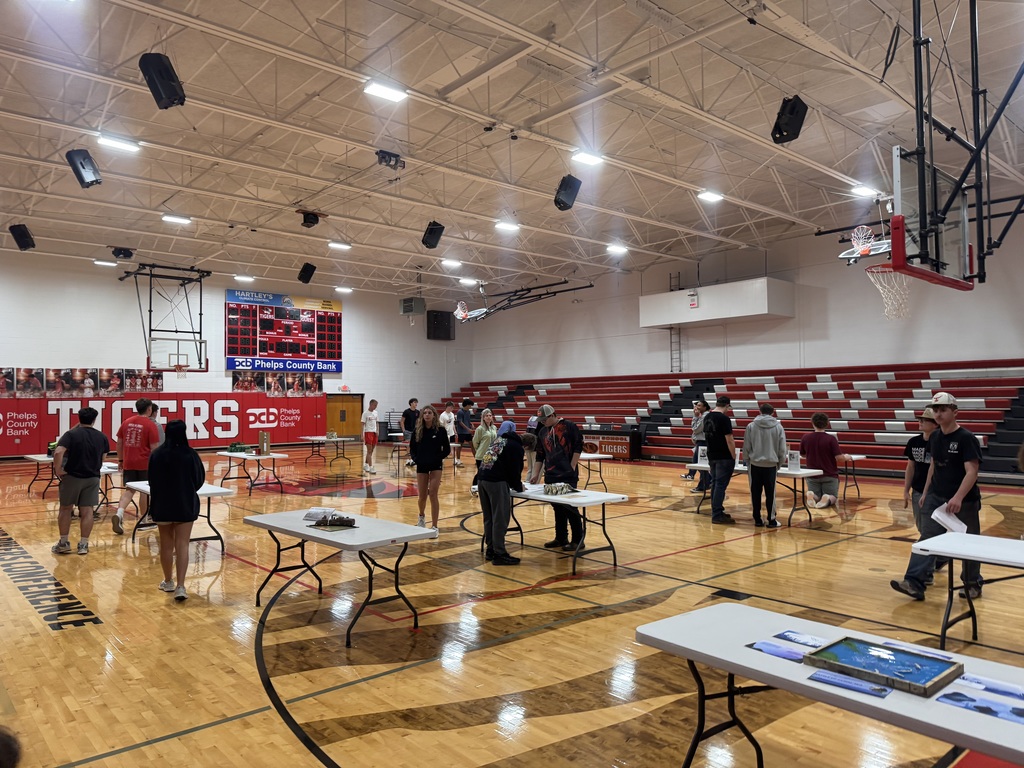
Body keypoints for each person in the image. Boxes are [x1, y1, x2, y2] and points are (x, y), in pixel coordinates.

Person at [891, 392, 984, 601]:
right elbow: (933, 464)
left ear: (955, 412)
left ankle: (972, 583)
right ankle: (914, 582)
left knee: (969, 543)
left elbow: (972, 472)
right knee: (927, 537)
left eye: (943, 410)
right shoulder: (935, 436)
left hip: (965, 501)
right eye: (936, 410)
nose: (938, 414)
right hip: (936, 496)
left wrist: (958, 497)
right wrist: (925, 492)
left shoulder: (966, 439)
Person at [148, 420, 206, 601]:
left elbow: (151, 481)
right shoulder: (191, 454)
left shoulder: (157, 454)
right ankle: (181, 586)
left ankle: (168, 581)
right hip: (184, 503)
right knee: (182, 544)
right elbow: (199, 480)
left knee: (166, 544)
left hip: (162, 504)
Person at [51, 407, 110, 555]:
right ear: (94, 419)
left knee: (65, 509)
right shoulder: (102, 436)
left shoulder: (71, 434)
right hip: (92, 478)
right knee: (87, 510)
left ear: (79, 418)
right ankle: (83, 544)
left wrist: (58, 469)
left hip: (72, 477)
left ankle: (63, 543)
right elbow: (103, 458)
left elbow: (58, 451)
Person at [534, 404, 584, 551]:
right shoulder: (543, 431)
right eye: (541, 420)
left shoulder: (569, 426)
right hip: (550, 475)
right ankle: (561, 537)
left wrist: (572, 465)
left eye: (545, 419)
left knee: (570, 507)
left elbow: (578, 445)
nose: (543, 422)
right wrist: (536, 474)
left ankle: (578, 539)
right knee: (557, 507)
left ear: (552, 415)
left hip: (567, 474)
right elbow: (540, 454)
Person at [478, 420, 525, 565]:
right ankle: (500, 553)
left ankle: (490, 549)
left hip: (481, 479)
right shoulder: (516, 447)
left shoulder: (499, 440)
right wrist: (518, 486)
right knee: (500, 518)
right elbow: (514, 470)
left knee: (489, 517)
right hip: (496, 482)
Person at [112, 398, 160, 535]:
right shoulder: (151, 425)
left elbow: (119, 443)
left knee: (129, 490)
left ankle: (120, 513)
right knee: (145, 491)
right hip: (145, 463)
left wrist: (121, 460)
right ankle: (144, 521)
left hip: (128, 462)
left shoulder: (126, 422)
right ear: (149, 409)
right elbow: (154, 448)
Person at [408, 405, 450, 537]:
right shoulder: (417, 431)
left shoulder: (441, 430)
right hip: (422, 466)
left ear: (434, 415)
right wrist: (416, 459)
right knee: (422, 496)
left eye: (429, 413)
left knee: (433, 493)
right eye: (424, 413)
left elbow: (447, 449)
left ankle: (435, 526)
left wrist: (437, 458)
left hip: (436, 466)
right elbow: (412, 448)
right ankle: (421, 517)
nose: (427, 415)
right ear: (422, 416)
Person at [744, 403, 787, 528]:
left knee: (755, 492)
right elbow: (782, 449)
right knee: (770, 493)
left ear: (760, 411)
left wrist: (746, 459)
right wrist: (779, 463)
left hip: (755, 464)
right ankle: (772, 519)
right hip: (771, 465)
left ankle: (757, 518)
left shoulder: (751, 426)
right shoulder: (778, 427)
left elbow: (746, 445)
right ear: (773, 412)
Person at [799, 413, 852, 509]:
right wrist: (847, 456)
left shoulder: (805, 437)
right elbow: (839, 458)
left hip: (812, 474)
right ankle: (827, 499)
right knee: (833, 497)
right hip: (829, 474)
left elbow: (802, 454)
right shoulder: (831, 439)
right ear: (827, 423)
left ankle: (812, 496)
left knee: (816, 496)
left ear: (812, 423)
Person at [703, 395, 737, 525]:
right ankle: (717, 514)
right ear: (727, 405)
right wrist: (733, 455)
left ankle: (717, 511)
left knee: (715, 484)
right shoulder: (724, 418)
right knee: (720, 485)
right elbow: (729, 439)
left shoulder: (707, 417)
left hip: (712, 454)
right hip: (724, 455)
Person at [684, 400, 711, 493]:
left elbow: (695, 429)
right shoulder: (704, 416)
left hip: (703, 443)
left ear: (705, 407)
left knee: (699, 464)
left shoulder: (704, 416)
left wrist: (695, 417)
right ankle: (709, 480)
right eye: (696, 405)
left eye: (699, 405)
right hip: (702, 442)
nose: (697, 407)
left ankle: (704, 485)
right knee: (698, 464)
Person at [471, 408, 497, 492]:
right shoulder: (480, 429)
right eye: (487, 416)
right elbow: (475, 442)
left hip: (491, 454)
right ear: (483, 417)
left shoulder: (494, 427)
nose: (489, 417)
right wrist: (479, 450)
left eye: (490, 415)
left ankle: (486, 489)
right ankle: (474, 488)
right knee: (481, 473)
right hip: (481, 455)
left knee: (489, 473)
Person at [361, 399, 379, 474]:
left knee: (371, 451)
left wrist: (378, 430)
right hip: (368, 432)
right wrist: (362, 435)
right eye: (374, 405)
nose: (375, 407)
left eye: (376, 405)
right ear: (370, 404)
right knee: (369, 450)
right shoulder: (365, 413)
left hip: (374, 433)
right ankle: (371, 467)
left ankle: (366, 464)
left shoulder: (376, 413)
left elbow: (377, 422)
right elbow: (362, 425)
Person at [455, 399, 475, 467]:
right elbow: (460, 422)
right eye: (470, 405)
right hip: (461, 432)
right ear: (467, 405)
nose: (470, 407)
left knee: (472, 445)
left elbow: (467, 420)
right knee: (460, 446)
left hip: (467, 432)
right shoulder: (460, 412)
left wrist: (471, 424)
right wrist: (468, 429)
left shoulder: (468, 412)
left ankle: (476, 459)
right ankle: (458, 460)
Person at [401, 398, 420, 467]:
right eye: (415, 402)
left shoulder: (418, 412)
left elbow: (419, 421)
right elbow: (402, 421)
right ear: (411, 403)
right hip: (408, 431)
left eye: (416, 402)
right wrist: (404, 430)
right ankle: (409, 459)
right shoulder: (406, 411)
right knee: (408, 445)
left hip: (415, 431)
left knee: (415, 445)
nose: (416, 404)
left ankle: (413, 459)